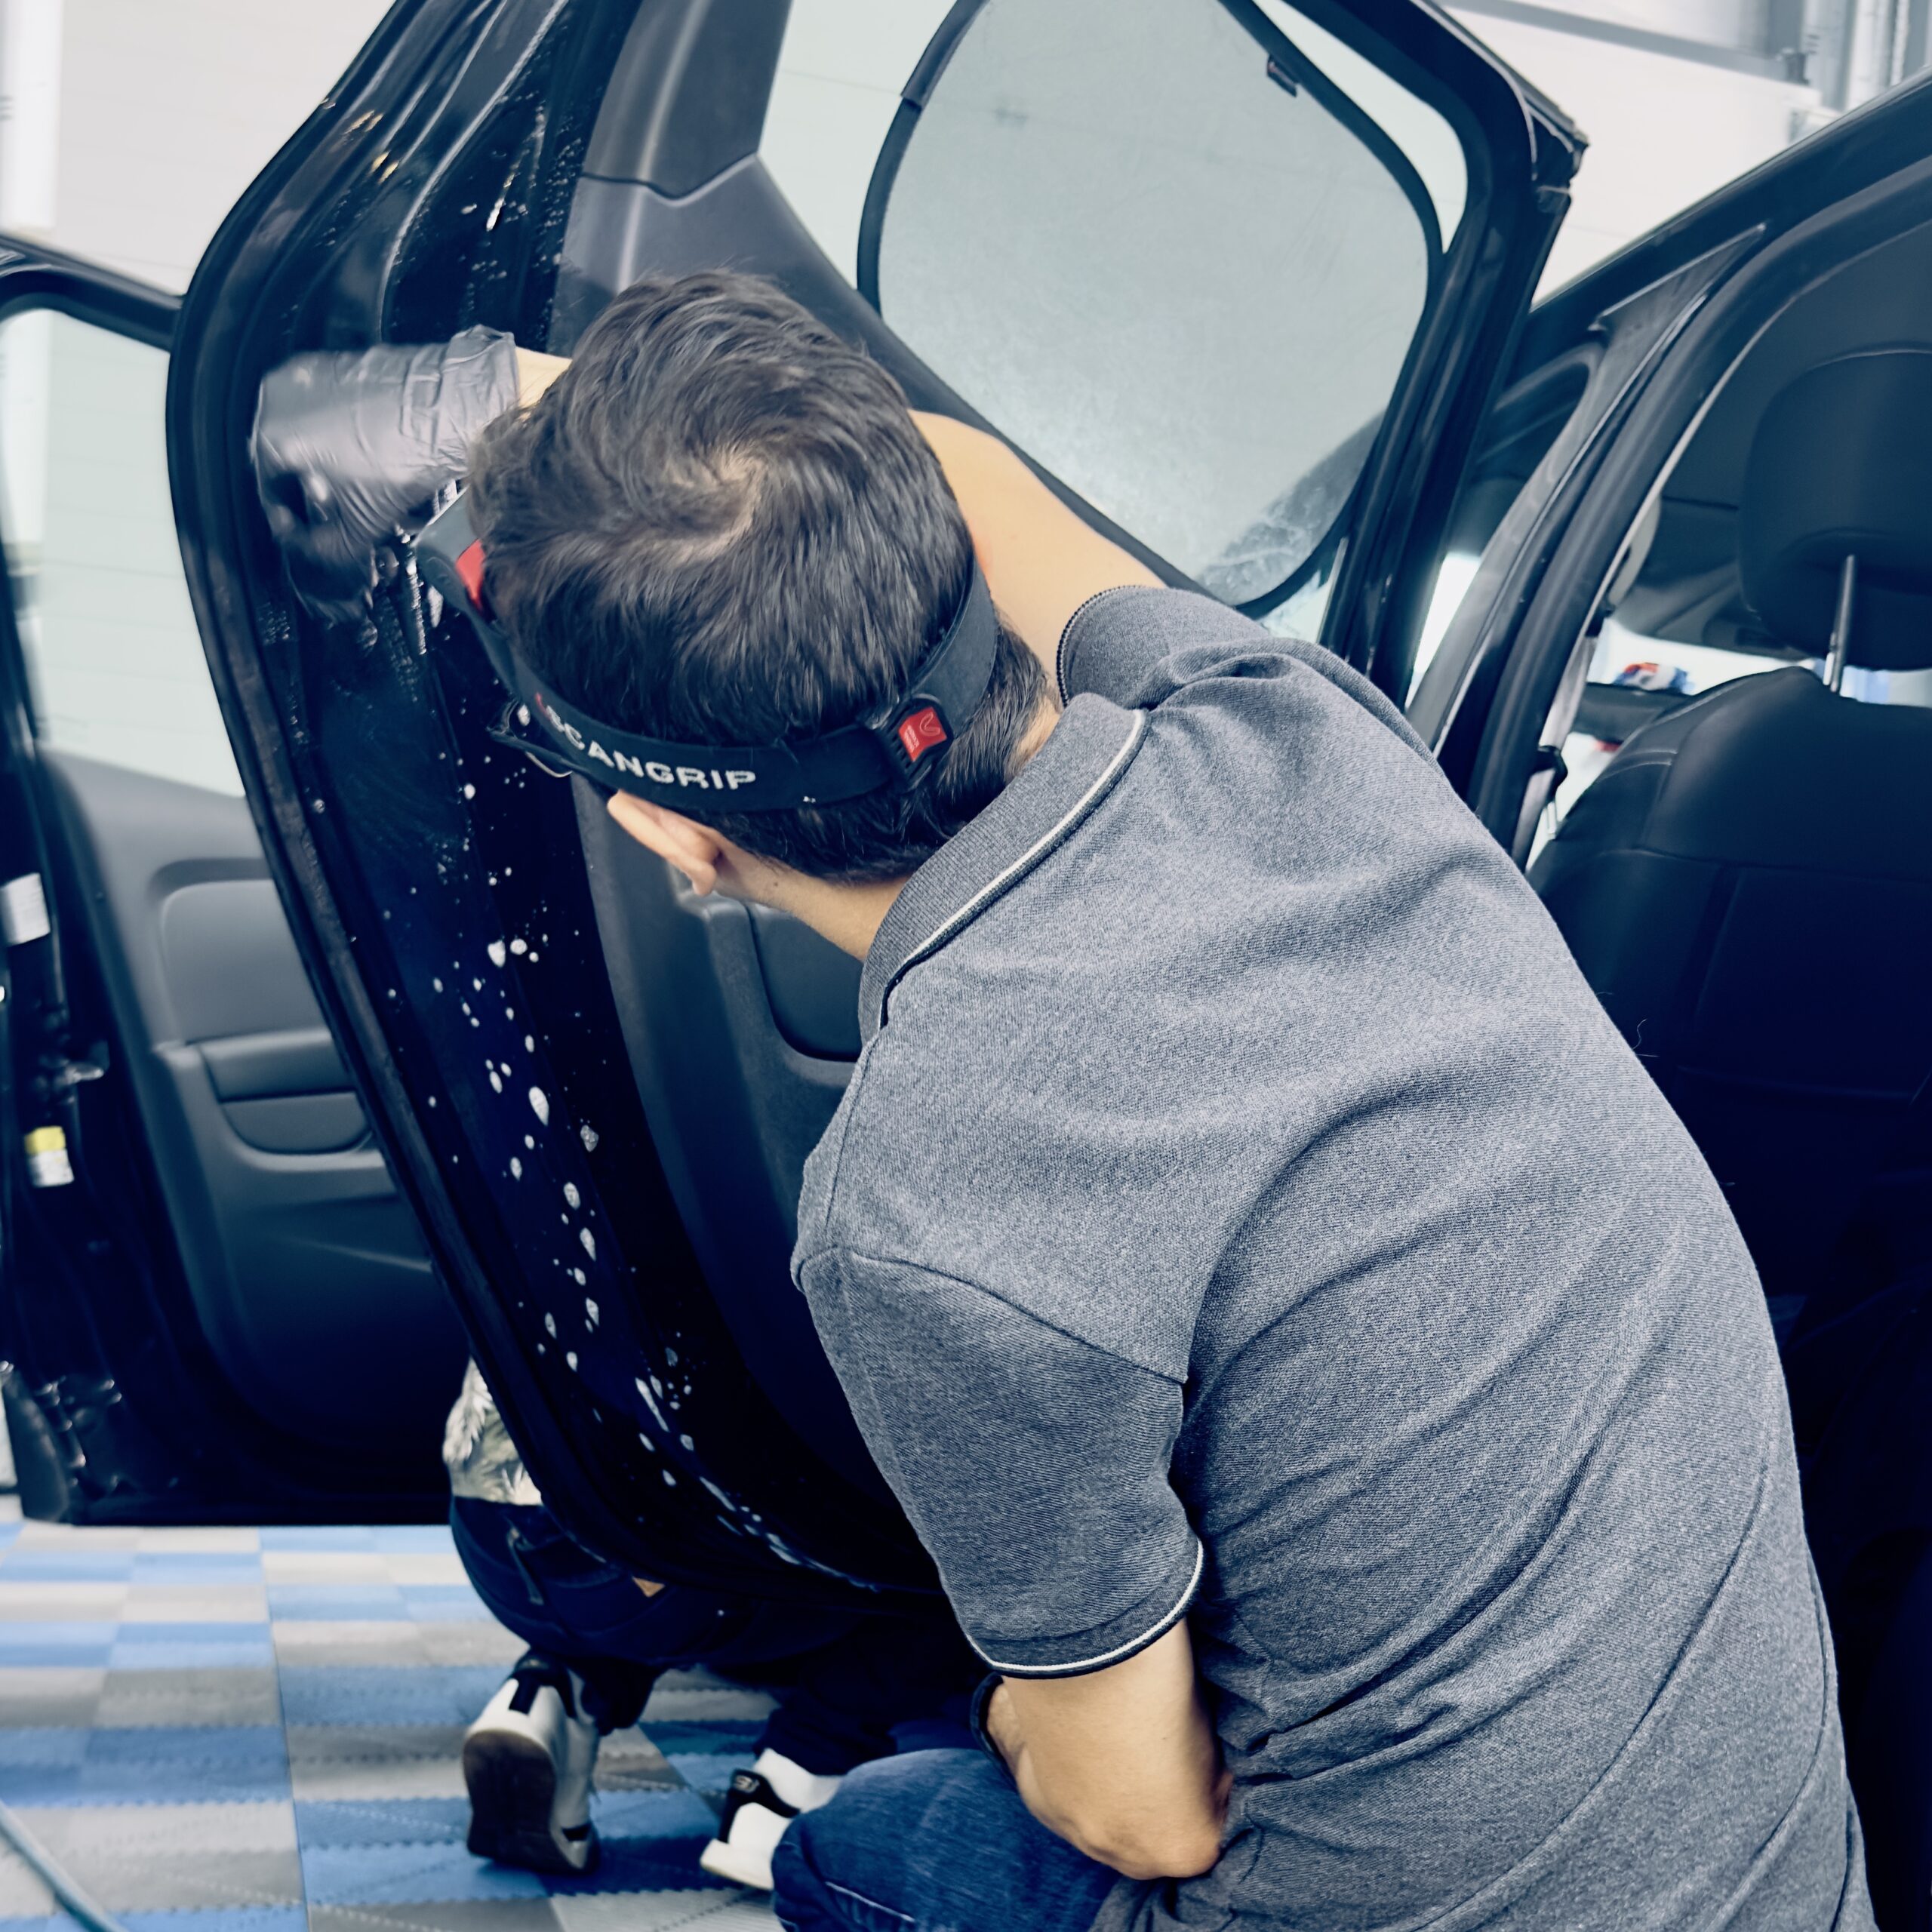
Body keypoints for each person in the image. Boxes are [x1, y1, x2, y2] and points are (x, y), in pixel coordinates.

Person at [255, 272, 1874, 1931]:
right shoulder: (1287, 734)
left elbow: (1142, 1812)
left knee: (852, 1841)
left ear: (671, 829)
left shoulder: (917, 1199)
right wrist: (493, 391)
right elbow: (968, 477)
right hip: (1788, 1891)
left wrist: (1015, 1708)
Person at [441, 1363, 974, 1884]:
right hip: (663, 1558)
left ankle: (554, 1691)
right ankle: (801, 1774)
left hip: (495, 1542)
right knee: (975, 1520)